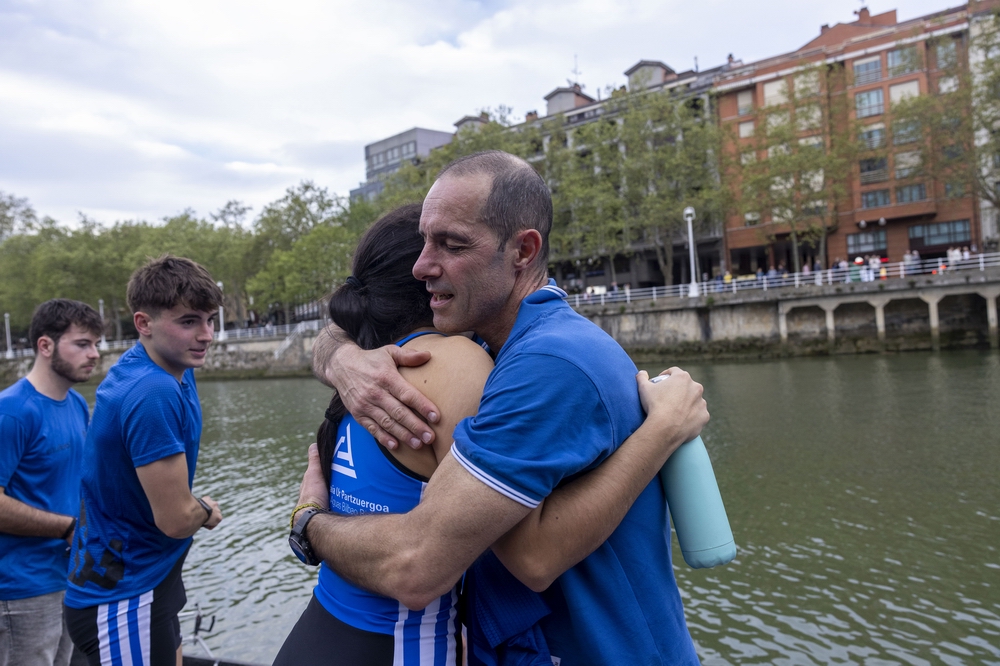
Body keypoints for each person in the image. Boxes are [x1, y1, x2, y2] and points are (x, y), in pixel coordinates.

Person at [299, 151, 709, 664]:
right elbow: (350, 317)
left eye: (452, 245)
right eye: (424, 241)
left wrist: (309, 524)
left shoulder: (547, 364)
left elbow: (460, 562)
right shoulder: (496, 343)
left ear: (523, 250)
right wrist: (342, 359)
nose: (421, 266)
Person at [64, 256, 224, 666]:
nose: (206, 335)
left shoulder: (169, 365)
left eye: (210, 320)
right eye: (189, 321)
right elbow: (175, 520)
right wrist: (205, 510)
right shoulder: (153, 390)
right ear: (143, 323)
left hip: (152, 577)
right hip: (123, 597)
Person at [0, 300, 102, 666]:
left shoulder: (76, 404)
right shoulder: (11, 412)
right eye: (82, 344)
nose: (95, 354)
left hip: (68, 576)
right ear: (45, 345)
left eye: (96, 344)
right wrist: (67, 528)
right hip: (21, 587)